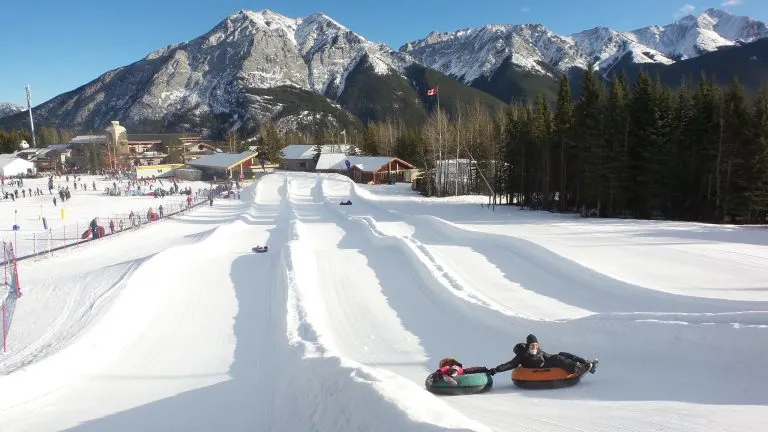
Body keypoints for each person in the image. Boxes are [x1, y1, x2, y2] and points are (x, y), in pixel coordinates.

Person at [489, 334, 596, 376]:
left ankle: (585, 363)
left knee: (561, 354)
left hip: (545, 364)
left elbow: (549, 356)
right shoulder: (523, 355)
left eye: (536, 345)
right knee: (557, 358)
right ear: (528, 346)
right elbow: (511, 364)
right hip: (537, 369)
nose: (534, 347)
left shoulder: (540, 352)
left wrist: (560, 357)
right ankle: (576, 369)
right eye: (532, 345)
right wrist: (496, 369)